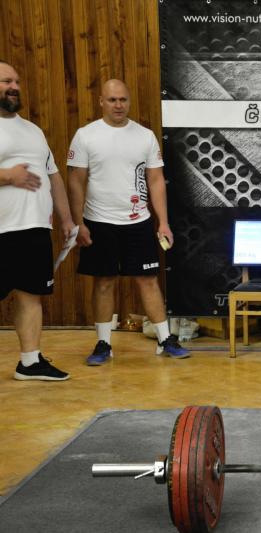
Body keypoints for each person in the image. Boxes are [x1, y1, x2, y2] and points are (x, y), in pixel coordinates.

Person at [67, 79, 190, 365]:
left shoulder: (145, 136)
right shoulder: (85, 136)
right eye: (112, 100)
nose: (118, 105)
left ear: (129, 101)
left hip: (138, 223)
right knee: (104, 282)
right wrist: (78, 223)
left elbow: (156, 180)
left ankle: (165, 339)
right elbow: (75, 181)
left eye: (123, 99)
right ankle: (103, 344)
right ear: (101, 102)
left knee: (148, 280)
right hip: (99, 221)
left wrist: (163, 222)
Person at [0, 60, 75, 381]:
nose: (14, 87)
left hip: (34, 228)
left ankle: (29, 362)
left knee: (30, 294)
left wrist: (67, 220)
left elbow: (53, 176)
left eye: (16, 81)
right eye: (6, 81)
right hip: (2, 229)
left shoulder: (33, 131)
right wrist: (7, 176)